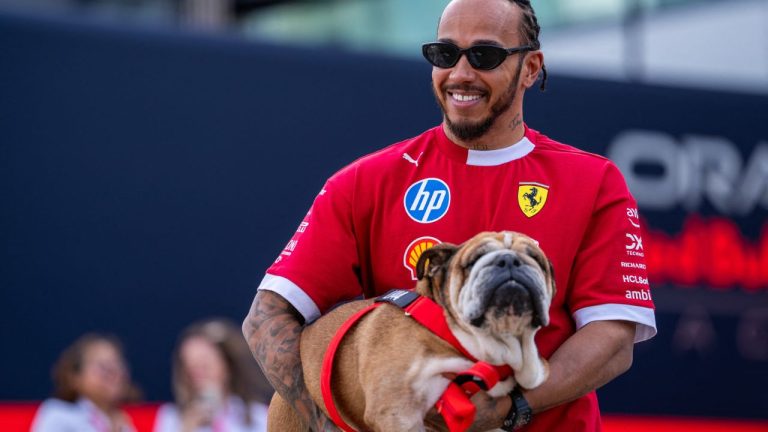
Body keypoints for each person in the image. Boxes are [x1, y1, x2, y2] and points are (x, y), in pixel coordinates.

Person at [242, 0, 657, 430]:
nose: (460, 74)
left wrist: (510, 408)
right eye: (445, 54)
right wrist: (323, 422)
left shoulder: (593, 181)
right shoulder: (365, 182)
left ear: (531, 68)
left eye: (485, 55)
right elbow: (266, 318)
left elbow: (612, 339)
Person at [153, 318, 271, 432]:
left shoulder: (258, 416)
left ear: (227, 365)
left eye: (205, 366)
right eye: (191, 368)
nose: (199, 375)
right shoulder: (171, 417)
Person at [31, 333, 140, 432]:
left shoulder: (123, 424)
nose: (113, 373)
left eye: (117, 364)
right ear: (75, 377)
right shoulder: (58, 415)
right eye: (103, 367)